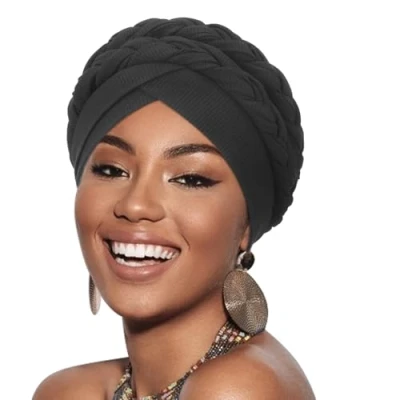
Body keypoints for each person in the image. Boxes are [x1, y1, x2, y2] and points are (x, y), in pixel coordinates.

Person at [33, 17, 315, 399]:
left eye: (190, 179)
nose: (135, 205)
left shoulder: (237, 388)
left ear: (246, 225)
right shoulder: (70, 391)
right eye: (111, 170)